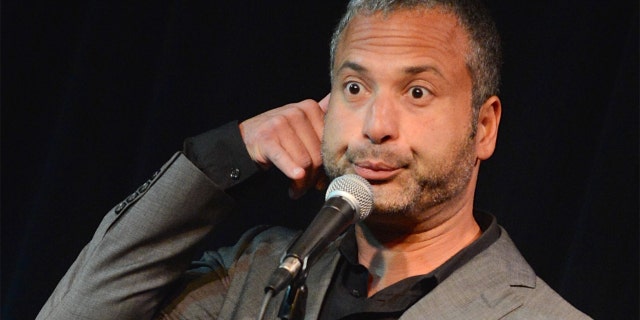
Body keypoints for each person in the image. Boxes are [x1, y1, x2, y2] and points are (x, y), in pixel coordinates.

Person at [37, 0, 591, 319]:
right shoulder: (256, 272)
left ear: (484, 126)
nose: (375, 125)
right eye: (354, 88)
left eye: (417, 92)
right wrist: (226, 157)